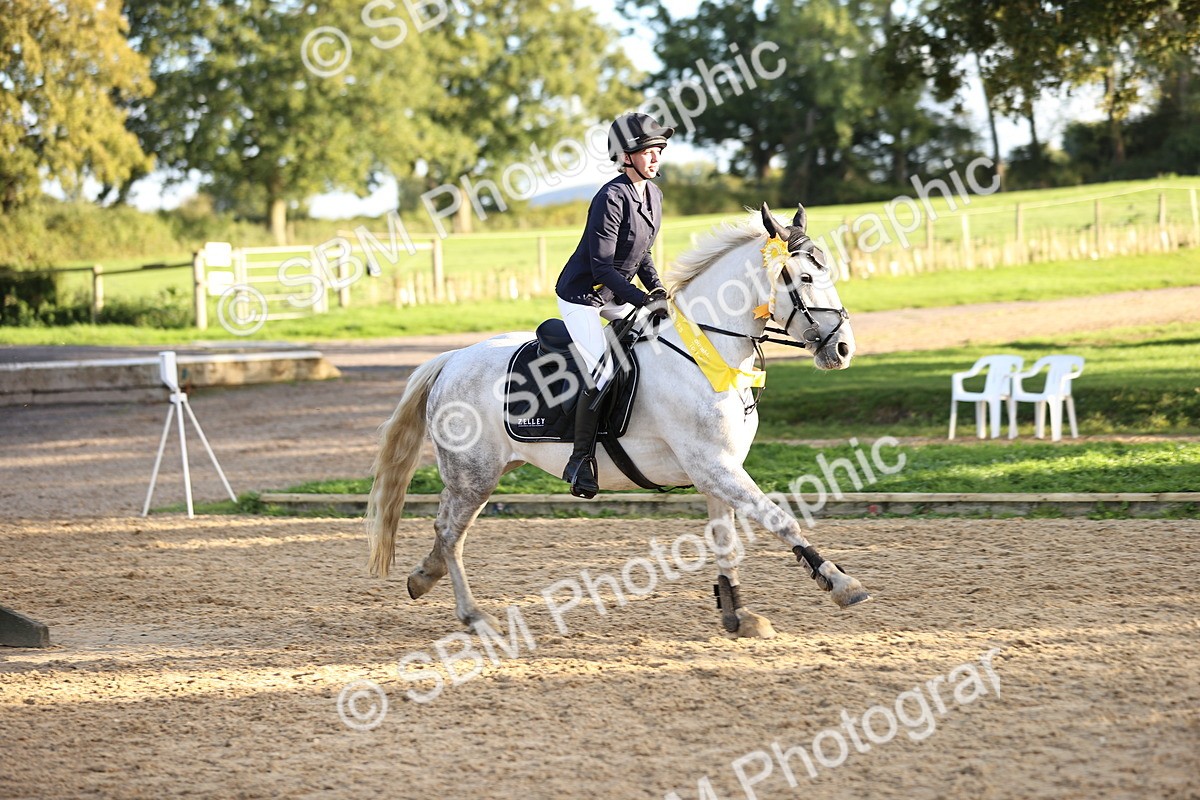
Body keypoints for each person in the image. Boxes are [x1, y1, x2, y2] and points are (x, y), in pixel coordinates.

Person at [554, 112, 673, 499]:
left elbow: (644, 253)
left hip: (616, 295)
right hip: (583, 297)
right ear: (625, 155)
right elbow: (601, 266)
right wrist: (642, 299)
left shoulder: (653, 195)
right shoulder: (610, 196)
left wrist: (659, 291)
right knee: (603, 371)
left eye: (659, 151)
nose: (656, 158)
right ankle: (579, 460)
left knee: (652, 350)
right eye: (648, 151)